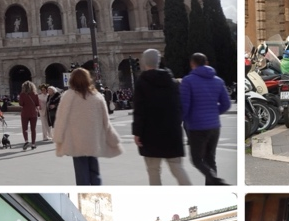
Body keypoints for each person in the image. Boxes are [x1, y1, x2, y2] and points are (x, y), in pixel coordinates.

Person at [131, 48, 192, 185]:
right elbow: (179, 107)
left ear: (145, 62)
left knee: (153, 170)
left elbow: (139, 111)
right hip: (171, 132)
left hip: (149, 133)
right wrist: (177, 123)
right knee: (177, 168)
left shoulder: (142, 83)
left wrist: (137, 133)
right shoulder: (172, 82)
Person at [53, 67, 123, 185]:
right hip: (93, 140)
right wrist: (113, 139)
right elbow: (106, 121)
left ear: (72, 80)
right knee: (95, 172)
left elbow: (61, 119)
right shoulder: (97, 96)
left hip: (76, 141)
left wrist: (58, 137)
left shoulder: (68, 96)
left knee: (81, 174)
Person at [179, 52, 231, 185]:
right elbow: (226, 104)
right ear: (207, 63)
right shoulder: (218, 81)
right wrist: (213, 113)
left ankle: (216, 181)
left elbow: (184, 106)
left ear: (192, 64)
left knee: (197, 160)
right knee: (210, 159)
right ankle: (212, 187)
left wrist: (179, 121)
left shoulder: (188, 81)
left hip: (197, 126)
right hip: (214, 126)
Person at [17, 80, 41, 151]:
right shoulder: (35, 94)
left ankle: (26, 141)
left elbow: (21, 104)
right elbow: (37, 104)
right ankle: (33, 144)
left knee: (25, 129)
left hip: (25, 113)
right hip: (33, 113)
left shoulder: (22, 94)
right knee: (33, 129)